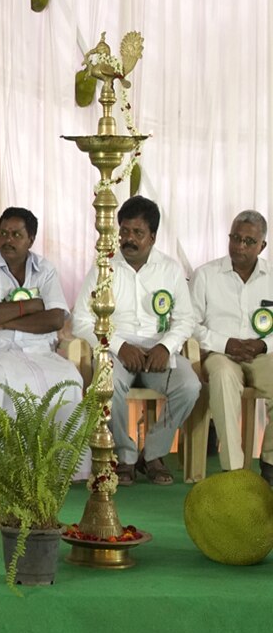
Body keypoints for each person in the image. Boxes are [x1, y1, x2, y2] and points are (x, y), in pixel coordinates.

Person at [72, 196, 200, 486]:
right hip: (115, 351)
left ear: (152, 236)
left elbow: (185, 320)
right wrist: (119, 346)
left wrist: (165, 347)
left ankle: (153, 453)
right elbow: (80, 320)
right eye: (124, 232)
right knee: (107, 383)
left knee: (190, 386)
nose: (128, 239)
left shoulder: (169, 269)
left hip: (158, 351)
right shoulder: (104, 267)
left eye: (137, 233)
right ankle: (125, 457)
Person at [0, 207, 88, 478]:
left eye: (16, 235)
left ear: (31, 239)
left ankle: (64, 468)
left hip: (41, 350)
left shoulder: (45, 269)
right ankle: (12, 467)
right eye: (4, 233)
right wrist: (29, 306)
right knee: (4, 381)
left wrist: (5, 320)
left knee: (71, 381)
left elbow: (55, 318)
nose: (8, 240)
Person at [190, 210, 273, 485]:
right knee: (224, 377)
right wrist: (226, 343)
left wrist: (263, 344)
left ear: (262, 246)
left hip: (262, 355)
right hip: (220, 353)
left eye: (249, 241)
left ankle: (270, 463)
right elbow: (190, 325)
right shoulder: (206, 274)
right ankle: (234, 471)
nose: (240, 246)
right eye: (235, 238)